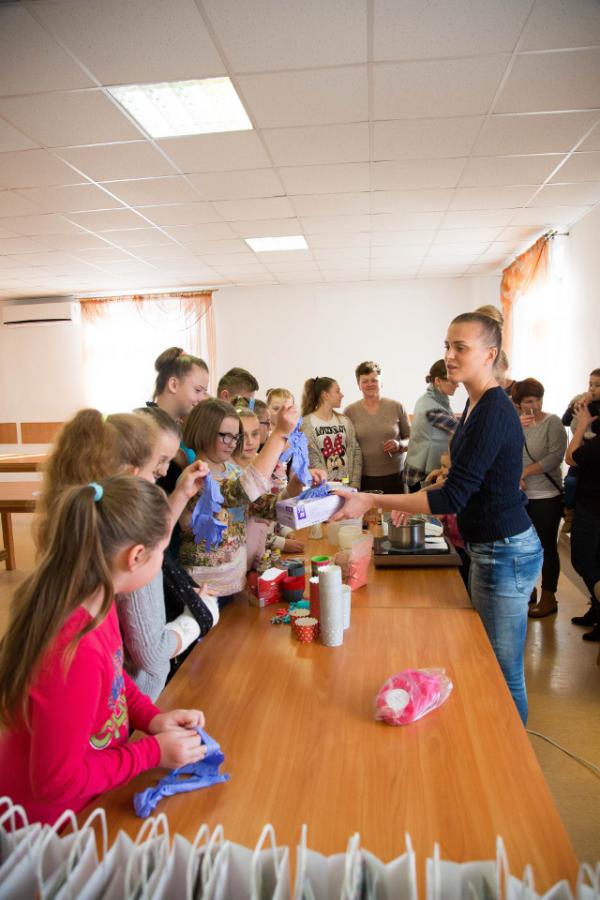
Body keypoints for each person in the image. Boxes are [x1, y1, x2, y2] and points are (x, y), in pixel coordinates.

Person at [333, 312, 542, 726]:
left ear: (490, 354)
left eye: (460, 347)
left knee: (504, 672)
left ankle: (514, 756)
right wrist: (413, 498)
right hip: (491, 547)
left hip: (505, 550)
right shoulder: (474, 403)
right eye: (447, 346)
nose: (449, 356)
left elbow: (453, 496)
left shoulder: (492, 410)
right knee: (488, 660)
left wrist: (371, 499)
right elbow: (461, 477)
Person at [0, 476, 206, 824]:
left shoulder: (98, 601)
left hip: (87, 802)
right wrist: (151, 752)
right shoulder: (73, 652)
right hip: (47, 828)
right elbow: (55, 783)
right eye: (161, 551)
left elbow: (115, 679)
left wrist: (152, 719)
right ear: (136, 556)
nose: (163, 561)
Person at [35, 408, 217, 701]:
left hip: (127, 705)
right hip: (133, 707)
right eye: (157, 467)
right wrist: (200, 614)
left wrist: (181, 494)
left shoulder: (80, 523)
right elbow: (151, 654)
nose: (163, 474)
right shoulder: (127, 566)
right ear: (132, 475)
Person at [178, 398, 316, 601]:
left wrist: (298, 483)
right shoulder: (196, 476)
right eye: (227, 436)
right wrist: (279, 434)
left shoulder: (233, 471)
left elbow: (266, 507)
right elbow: (242, 492)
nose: (234, 443)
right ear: (204, 433)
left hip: (235, 583)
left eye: (236, 436)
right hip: (202, 590)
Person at [511, 378, 567, 618]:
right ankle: (528, 591)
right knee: (521, 547)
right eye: (528, 401)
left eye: (537, 400)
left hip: (546, 495)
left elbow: (555, 457)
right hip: (519, 496)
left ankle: (549, 597)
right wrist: (516, 474)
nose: (534, 406)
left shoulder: (552, 422)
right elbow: (507, 452)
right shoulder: (515, 423)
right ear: (518, 403)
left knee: (546, 546)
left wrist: (524, 472)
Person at [344, 361, 410, 493]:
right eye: (365, 381)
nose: (370, 384)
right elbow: (345, 447)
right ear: (359, 385)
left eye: (374, 380)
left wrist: (399, 445)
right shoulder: (349, 412)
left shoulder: (397, 406)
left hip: (396, 477)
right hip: (363, 478)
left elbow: (412, 439)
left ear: (381, 382)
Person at [566, 394, 600, 642]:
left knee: (583, 559)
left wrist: (583, 425)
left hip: (592, 507)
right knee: (593, 560)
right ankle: (596, 608)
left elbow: (571, 457)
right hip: (591, 504)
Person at [404, 359, 457, 492]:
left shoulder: (434, 400)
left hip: (423, 468)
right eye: (453, 381)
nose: (457, 385)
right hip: (421, 474)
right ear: (438, 381)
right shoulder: (430, 407)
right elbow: (459, 431)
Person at [301, 377, 362, 488]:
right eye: (337, 391)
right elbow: (311, 457)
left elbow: (356, 452)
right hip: (322, 489)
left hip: (348, 487)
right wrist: (327, 487)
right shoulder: (306, 423)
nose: (342, 395)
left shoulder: (345, 421)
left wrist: (354, 484)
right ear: (325, 395)